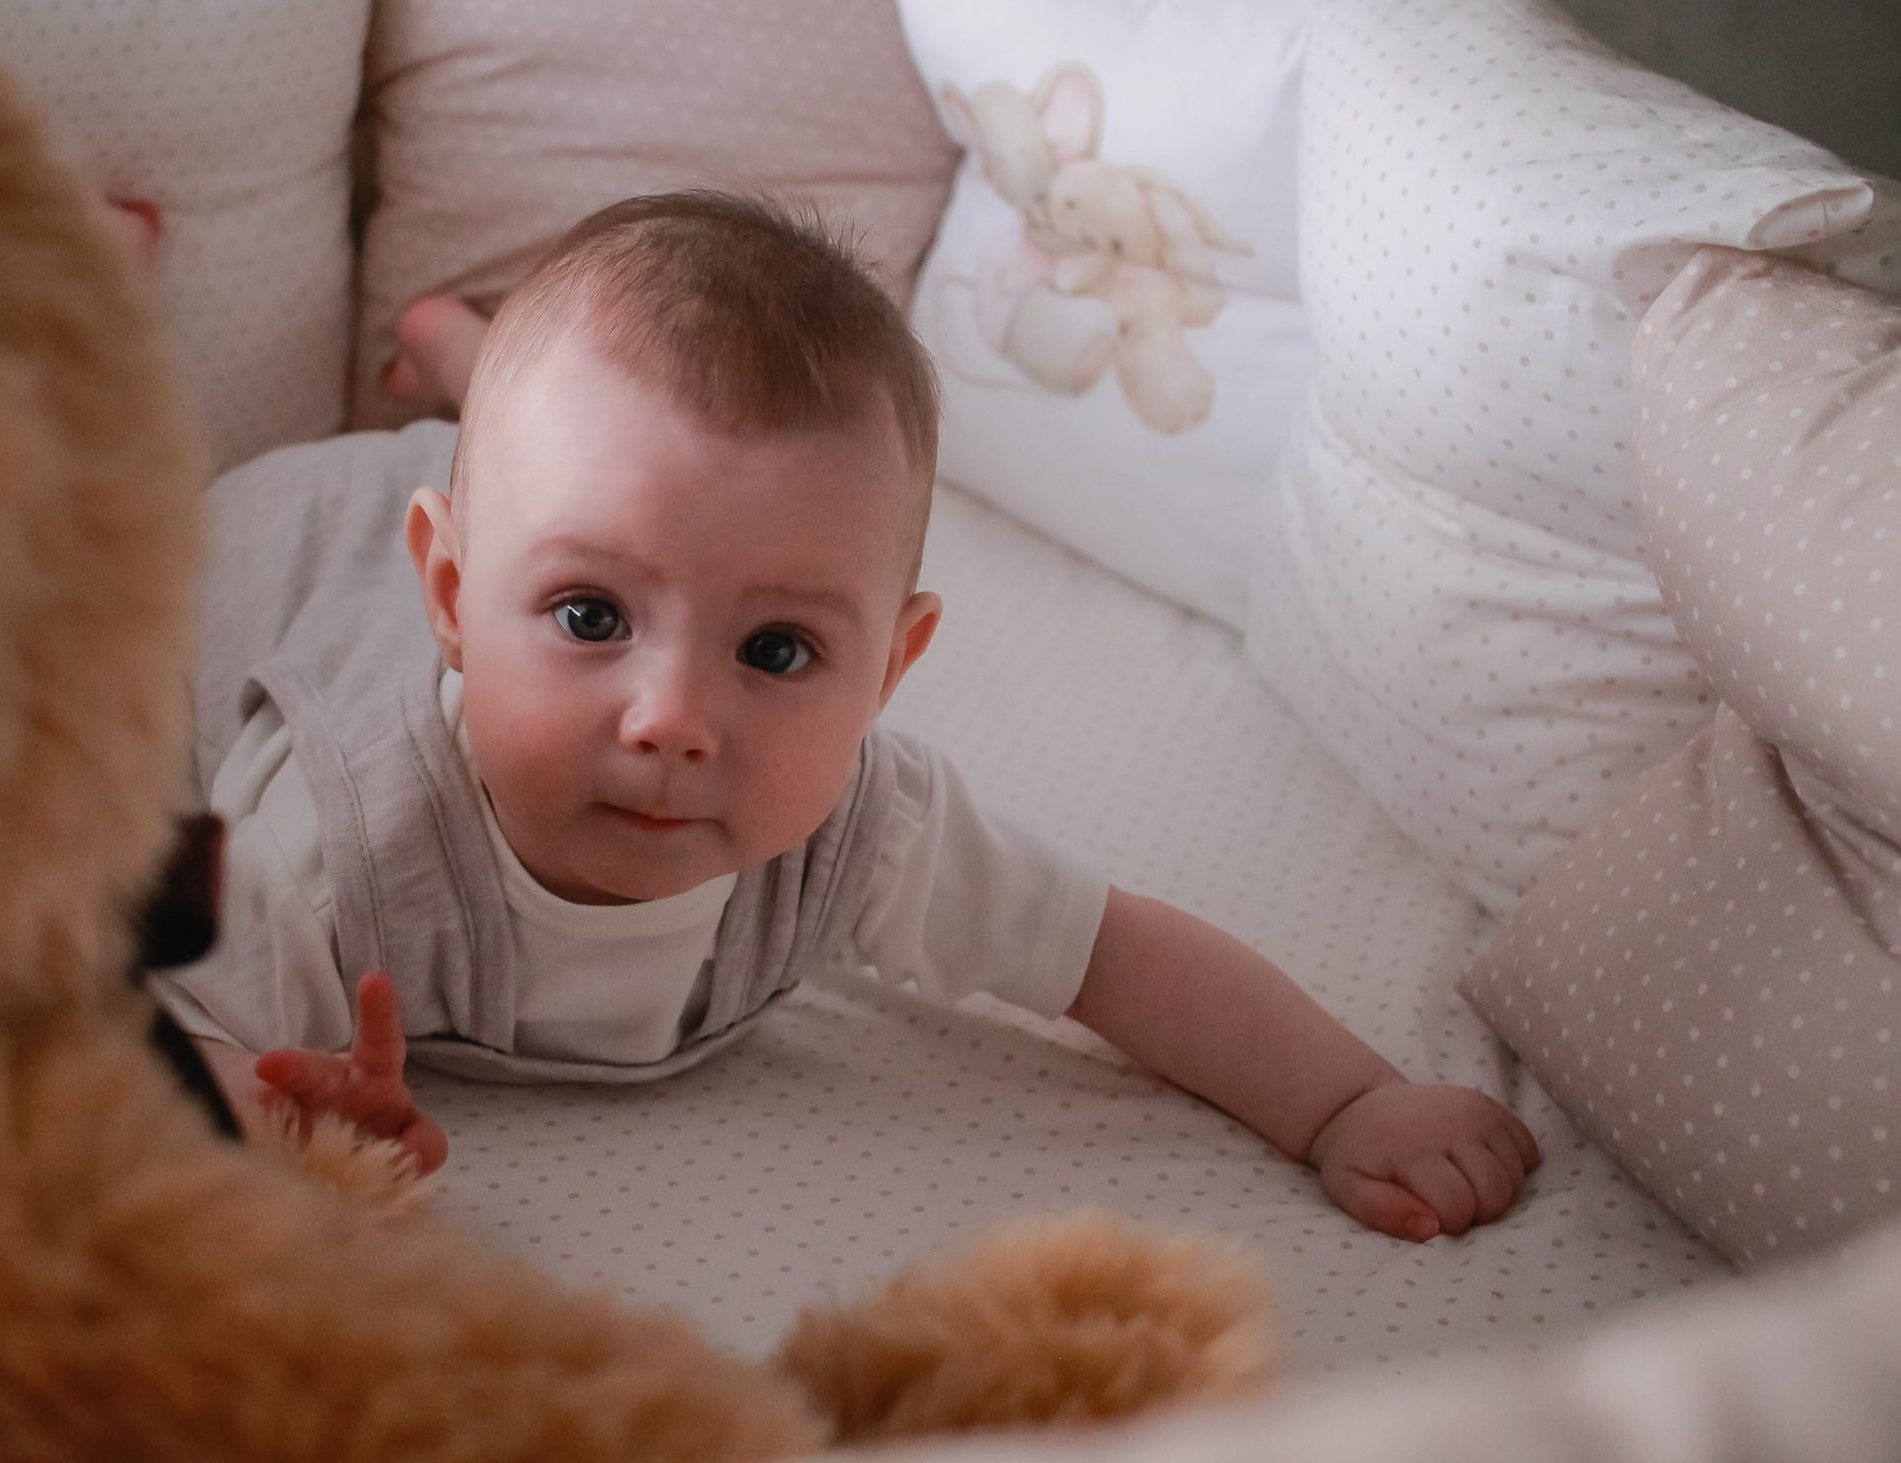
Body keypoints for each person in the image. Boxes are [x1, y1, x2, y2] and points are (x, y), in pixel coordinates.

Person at [158, 191, 1539, 1243]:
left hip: (514, 522)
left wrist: (1349, 1099)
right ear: (451, 597)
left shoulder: (862, 828)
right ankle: (467, 370)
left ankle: (478, 376)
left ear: (891, 667)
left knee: (606, 485)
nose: (674, 719)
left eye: (775, 648)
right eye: (592, 621)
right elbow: (166, 1026)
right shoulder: (337, 832)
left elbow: (1112, 955)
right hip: (278, 557)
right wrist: (268, 1110)